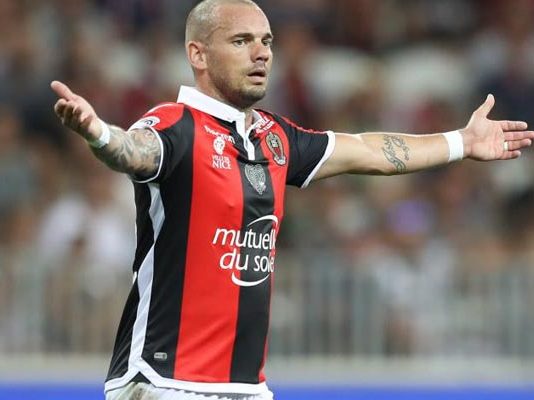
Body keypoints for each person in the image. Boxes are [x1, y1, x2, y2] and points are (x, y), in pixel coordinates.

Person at [50, 0, 534, 399]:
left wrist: (461, 142)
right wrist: (98, 134)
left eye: (266, 41)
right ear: (198, 54)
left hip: (245, 386)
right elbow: (134, 151)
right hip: (164, 381)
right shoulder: (175, 124)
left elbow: (368, 150)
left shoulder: (274, 138)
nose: (261, 53)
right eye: (241, 41)